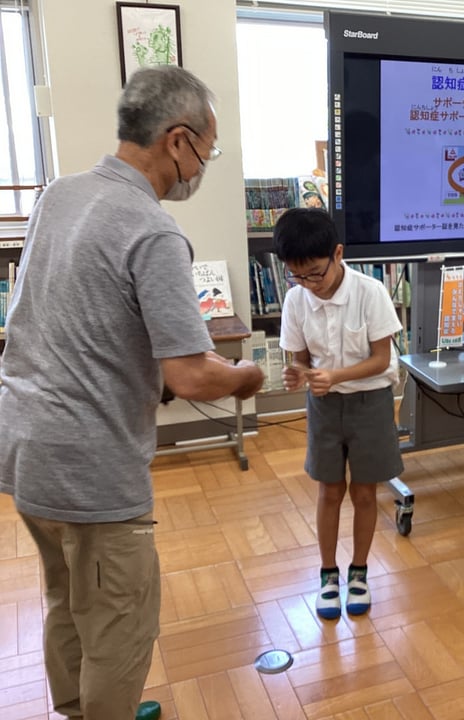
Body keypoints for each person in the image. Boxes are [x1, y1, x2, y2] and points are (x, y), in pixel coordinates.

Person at [0, 66, 264, 720]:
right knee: (120, 623)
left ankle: (77, 709)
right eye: (207, 149)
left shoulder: (58, 194)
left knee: (67, 596)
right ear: (177, 140)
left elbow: (69, 321)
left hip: (22, 445)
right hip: (89, 466)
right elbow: (192, 376)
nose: (202, 166)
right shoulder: (154, 230)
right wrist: (245, 376)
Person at [276, 207, 403, 620]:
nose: (309, 284)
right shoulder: (296, 299)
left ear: (338, 253)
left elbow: (382, 360)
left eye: (316, 273)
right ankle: (328, 574)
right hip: (325, 406)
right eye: (298, 276)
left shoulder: (370, 292)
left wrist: (335, 376)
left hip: (371, 402)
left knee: (365, 492)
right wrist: (296, 373)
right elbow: (300, 359)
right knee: (329, 491)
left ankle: (359, 572)